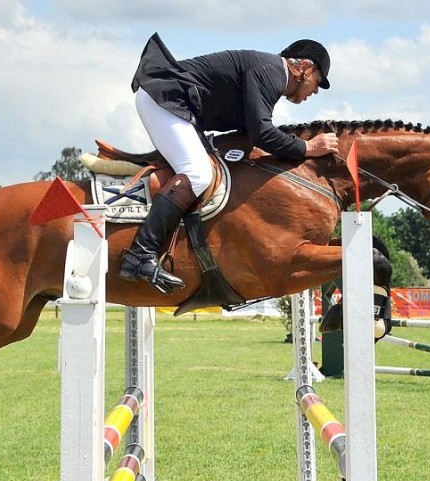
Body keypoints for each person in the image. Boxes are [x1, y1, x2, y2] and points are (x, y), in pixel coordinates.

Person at [119, 32, 339, 294]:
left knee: (206, 169)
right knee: (198, 173)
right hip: (164, 99)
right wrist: (309, 147)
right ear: (304, 68)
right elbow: (263, 133)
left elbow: (250, 136)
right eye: (317, 81)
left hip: (176, 106)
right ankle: (140, 254)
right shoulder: (271, 72)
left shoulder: (270, 74)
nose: (315, 90)